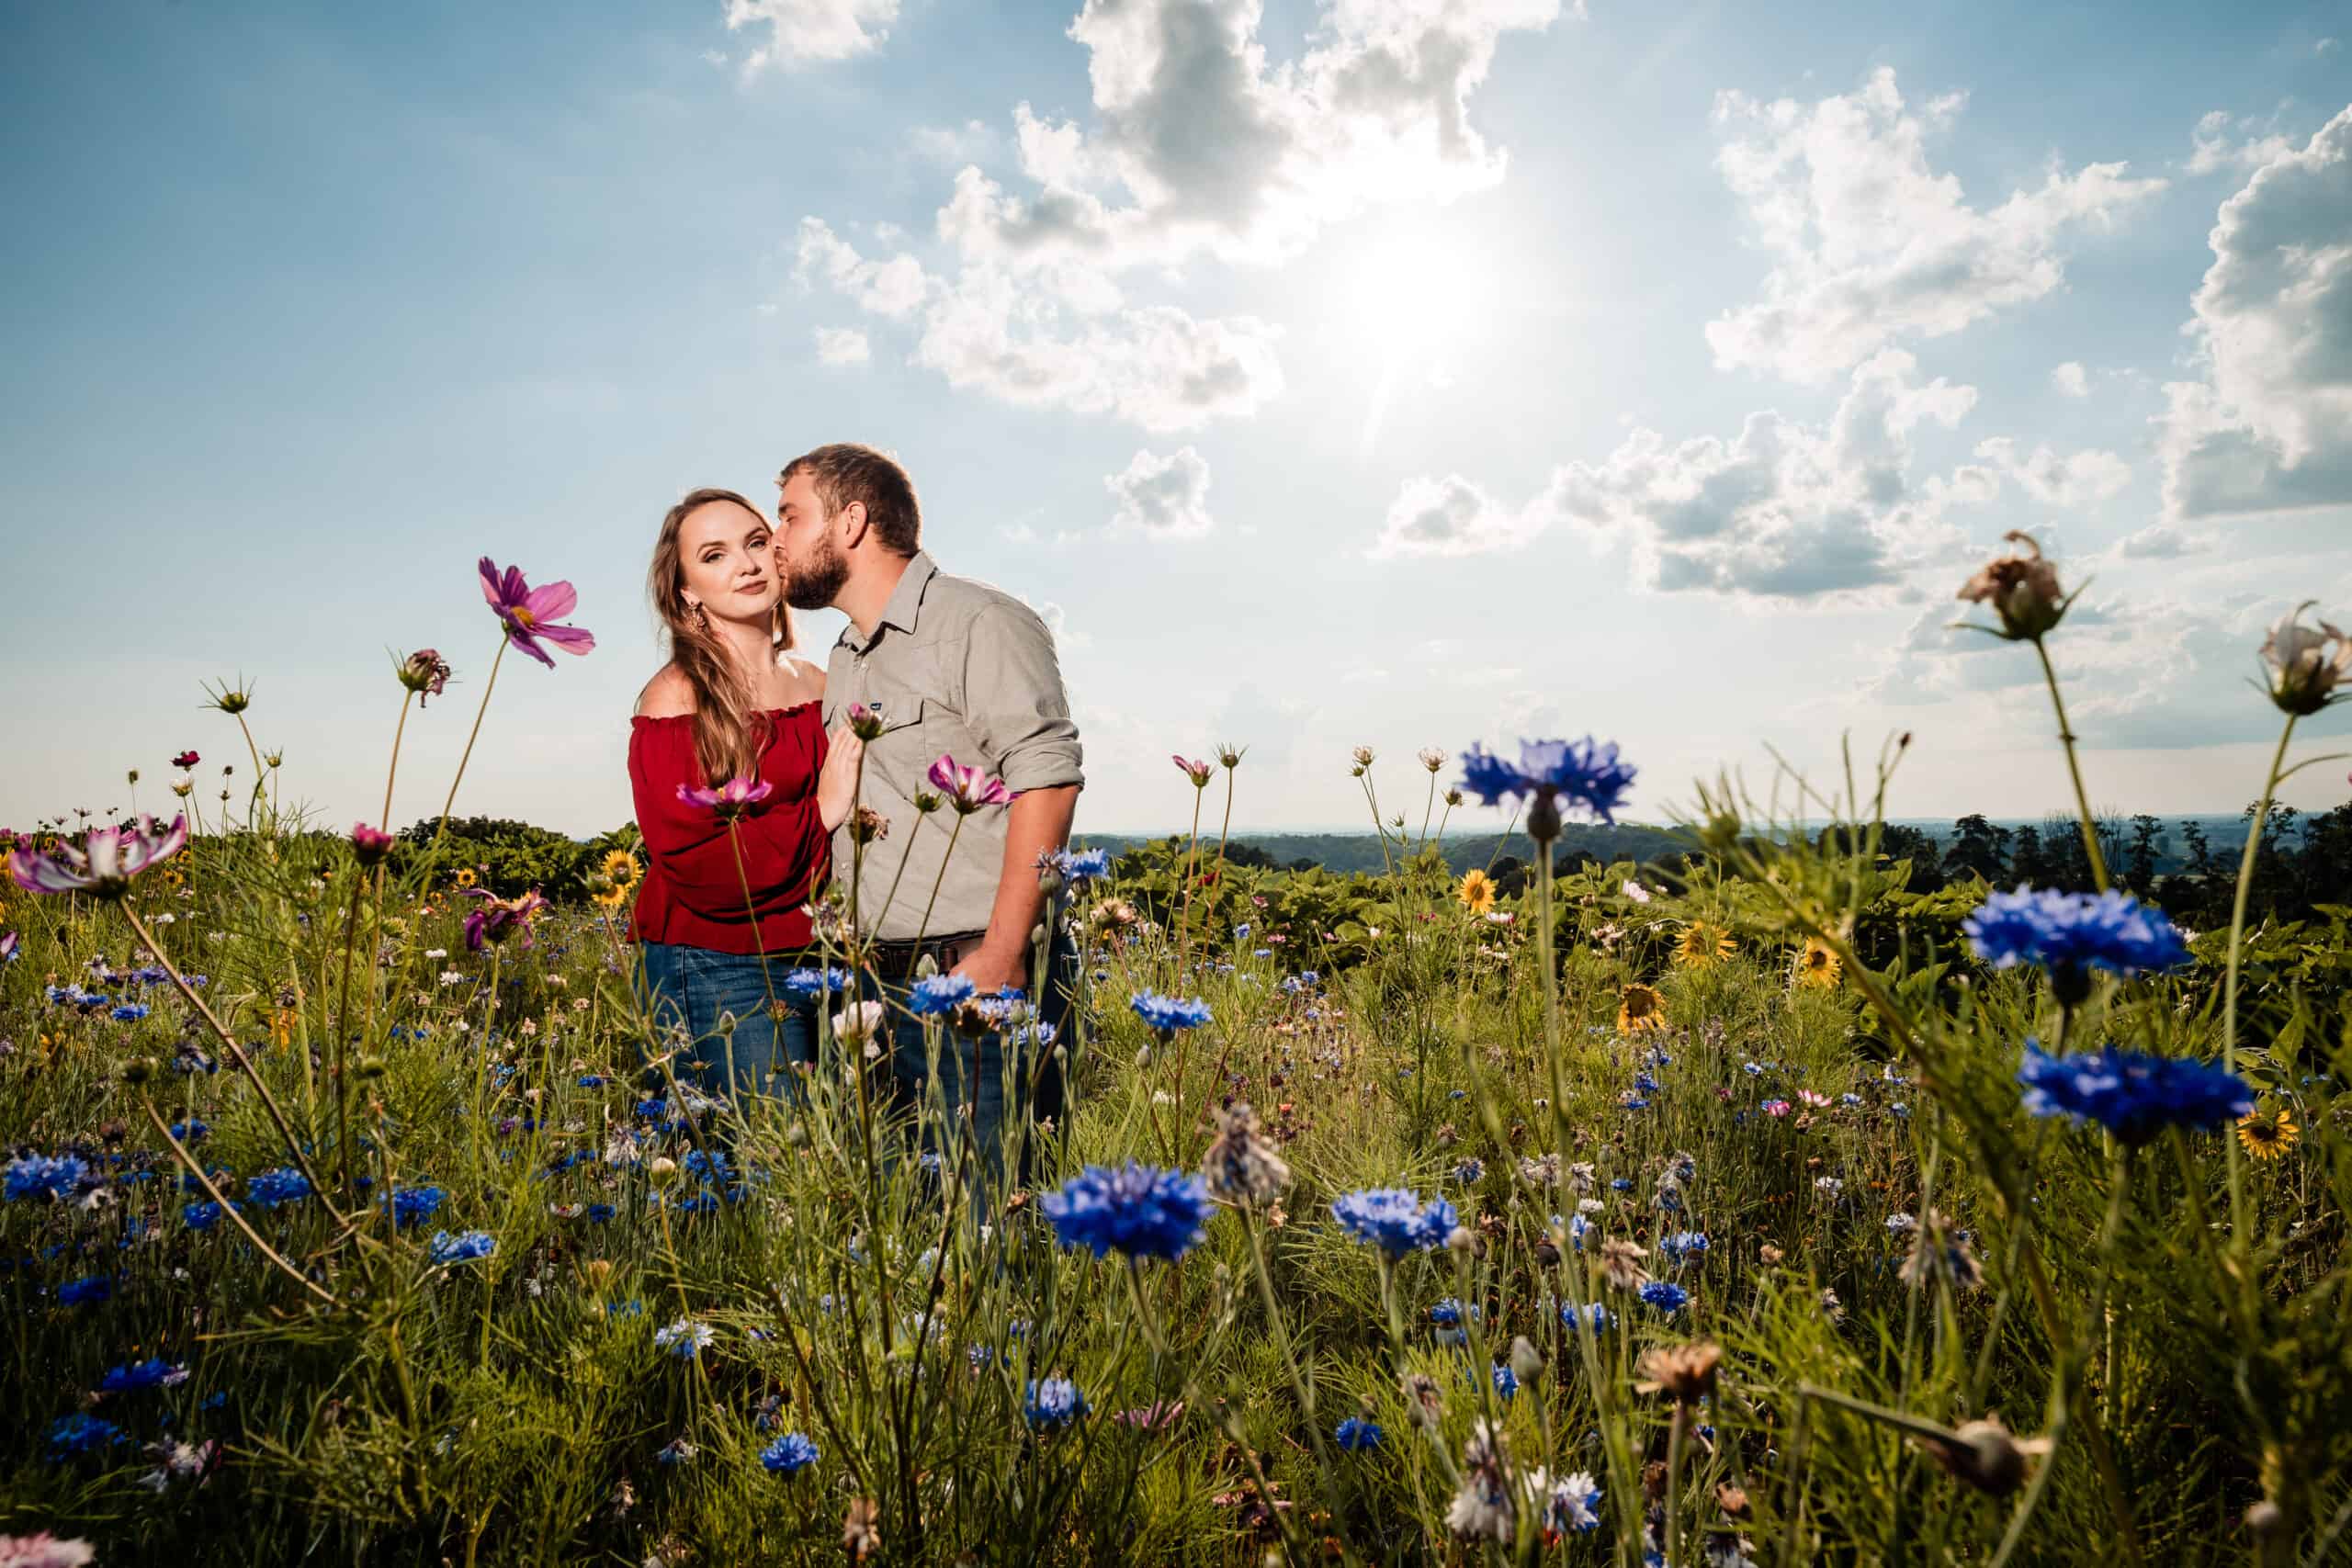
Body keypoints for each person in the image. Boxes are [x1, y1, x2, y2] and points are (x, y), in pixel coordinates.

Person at [770, 444, 1083, 1182]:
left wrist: (1003, 955)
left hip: (975, 972)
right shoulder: (847, 654)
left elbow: (1048, 781)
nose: (775, 537)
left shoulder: (979, 621)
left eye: (789, 515)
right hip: (877, 988)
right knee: (917, 1236)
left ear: (850, 521)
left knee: (993, 1226)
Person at [628, 487, 863, 1106]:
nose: (747, 564)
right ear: (686, 591)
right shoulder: (676, 698)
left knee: (829, 1156)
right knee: (757, 1168)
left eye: (757, 542)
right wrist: (821, 812)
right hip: (717, 961)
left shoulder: (818, 684)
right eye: (715, 555)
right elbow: (697, 861)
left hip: (821, 947)